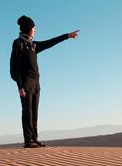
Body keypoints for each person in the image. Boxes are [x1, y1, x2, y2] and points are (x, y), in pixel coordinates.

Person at [10, 15, 80, 148]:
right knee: (27, 112)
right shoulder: (18, 43)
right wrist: (20, 85)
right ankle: (28, 140)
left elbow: (49, 43)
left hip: (36, 83)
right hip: (25, 83)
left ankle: (34, 138)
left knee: (34, 112)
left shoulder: (33, 45)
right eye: (33, 28)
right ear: (29, 29)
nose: (35, 30)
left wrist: (67, 36)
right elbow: (13, 68)